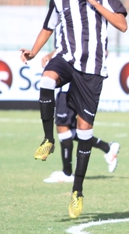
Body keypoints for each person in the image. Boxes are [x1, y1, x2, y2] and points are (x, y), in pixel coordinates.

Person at [20, 0, 128, 219]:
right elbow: (48, 27)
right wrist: (34, 52)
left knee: (84, 133)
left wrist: (93, 2)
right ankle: (48, 140)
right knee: (46, 81)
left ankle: (77, 191)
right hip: (66, 59)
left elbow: (122, 25)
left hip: (92, 70)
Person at [42, 51, 120, 182]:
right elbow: (62, 47)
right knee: (70, 130)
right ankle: (107, 147)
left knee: (63, 126)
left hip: (70, 85)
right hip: (67, 85)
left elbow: (99, 50)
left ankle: (67, 173)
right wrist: (50, 56)